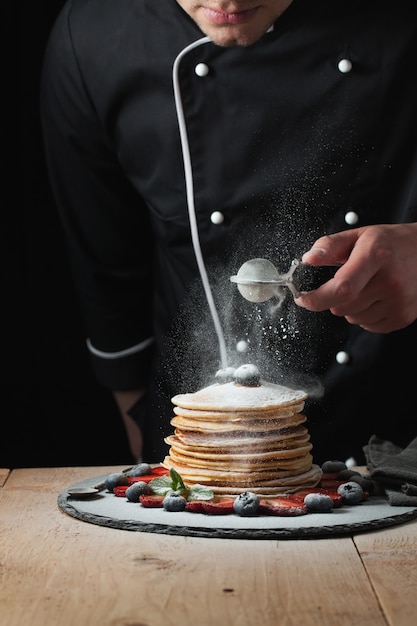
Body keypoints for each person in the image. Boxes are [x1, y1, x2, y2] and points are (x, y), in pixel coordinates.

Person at [40, 0, 417, 467]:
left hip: (401, 441)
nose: (229, 0)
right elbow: (105, 270)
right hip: (202, 452)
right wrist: (145, 430)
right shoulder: (95, 33)